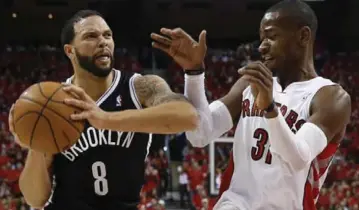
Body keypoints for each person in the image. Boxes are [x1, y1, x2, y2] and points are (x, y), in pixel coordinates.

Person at [151, 0, 351, 209]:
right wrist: (194, 73)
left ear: (303, 36)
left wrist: (270, 110)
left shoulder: (330, 97)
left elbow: (298, 159)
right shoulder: (249, 83)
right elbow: (200, 134)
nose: (262, 46)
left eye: (272, 37)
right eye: (262, 39)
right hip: (237, 203)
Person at [8, 10, 198, 210]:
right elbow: (34, 199)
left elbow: (189, 117)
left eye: (107, 35)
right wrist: (35, 143)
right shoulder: (54, 103)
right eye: (91, 36)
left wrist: (104, 119)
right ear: (70, 50)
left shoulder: (140, 87)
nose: (103, 41)